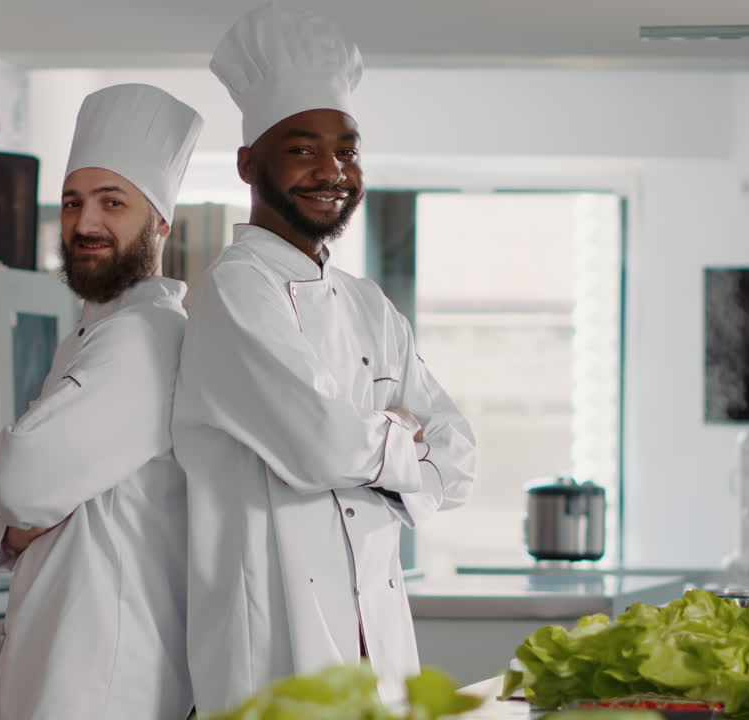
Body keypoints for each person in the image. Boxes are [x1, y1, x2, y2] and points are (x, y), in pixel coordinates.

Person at [172, 2, 477, 713]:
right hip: (273, 648)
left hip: (380, 649)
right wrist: (403, 437)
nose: (332, 170)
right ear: (249, 163)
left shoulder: (367, 302)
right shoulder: (234, 291)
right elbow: (319, 444)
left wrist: (375, 444)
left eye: (347, 149)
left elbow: (461, 461)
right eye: (303, 148)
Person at [0, 82, 202, 720]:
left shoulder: (144, 339)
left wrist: (10, 502)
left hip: (101, 681)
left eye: (112, 203)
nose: (85, 223)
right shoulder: (95, 334)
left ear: (161, 223)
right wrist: (14, 506)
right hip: (63, 667)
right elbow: (20, 497)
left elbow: (21, 481)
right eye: (72, 202)